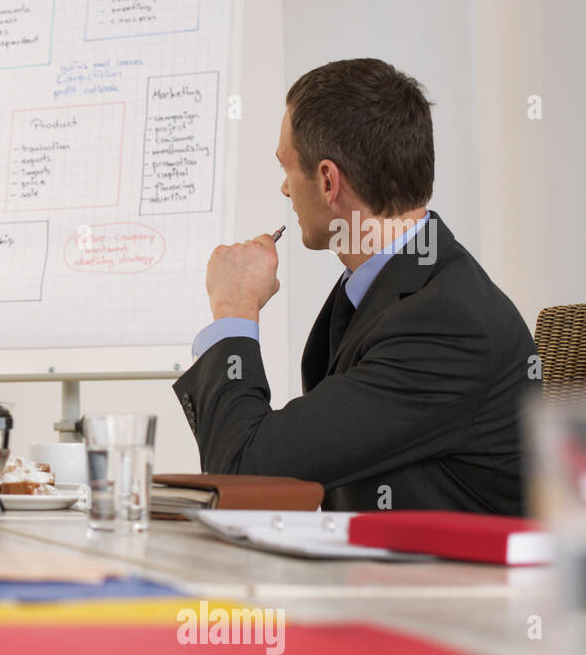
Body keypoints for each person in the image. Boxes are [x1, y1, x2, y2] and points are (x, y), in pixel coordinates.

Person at [172, 58, 536, 515]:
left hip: (443, 584)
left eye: (287, 168)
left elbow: (245, 474)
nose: (285, 189)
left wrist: (234, 311)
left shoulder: (445, 321)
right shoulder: (394, 286)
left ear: (327, 180)